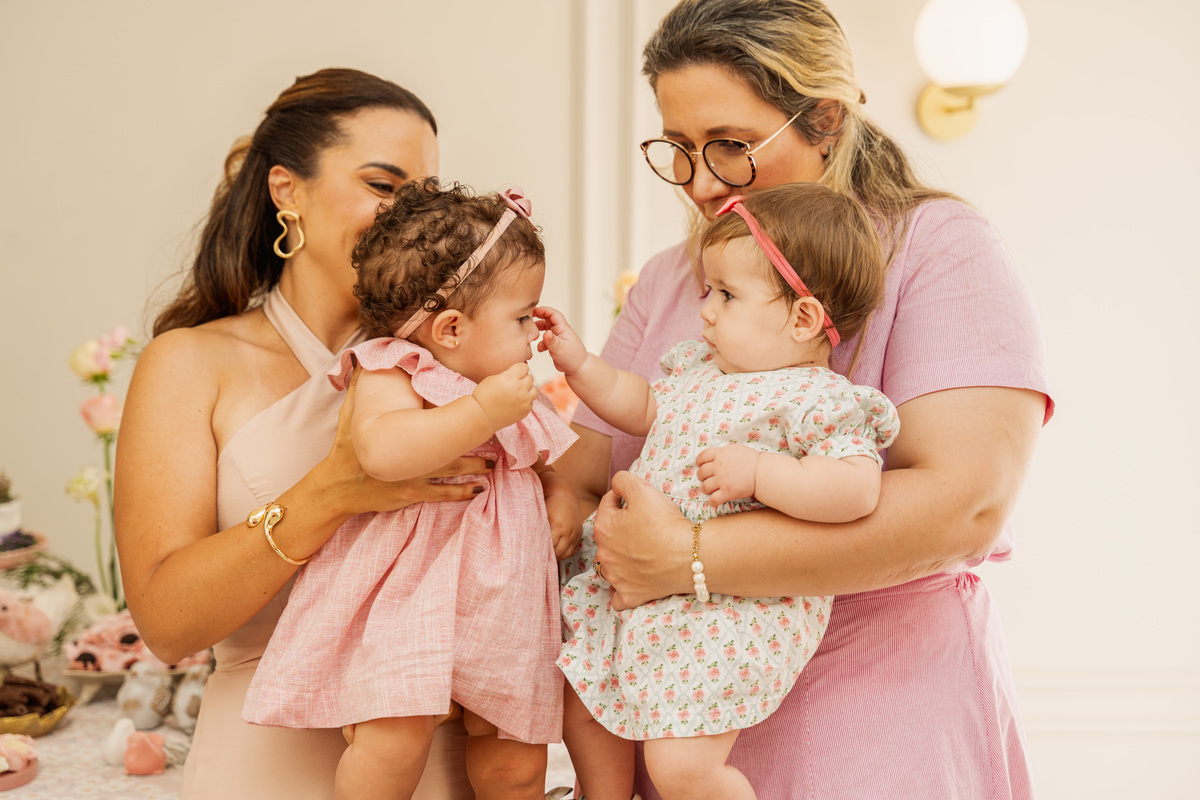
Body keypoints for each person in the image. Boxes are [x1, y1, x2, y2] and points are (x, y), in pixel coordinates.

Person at [550, 2, 1054, 798]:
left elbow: (966, 505)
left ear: (825, 119)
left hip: (873, 719)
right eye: (679, 149)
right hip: (668, 710)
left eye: (731, 146)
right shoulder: (673, 277)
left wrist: (686, 557)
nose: (702, 183)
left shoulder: (937, 246)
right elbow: (580, 473)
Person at [114, 68, 547, 799]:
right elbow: (166, 624)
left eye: (422, 194)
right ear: (288, 191)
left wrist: (558, 502)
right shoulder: (189, 364)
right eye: (382, 184)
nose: (407, 214)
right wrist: (332, 491)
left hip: (451, 756)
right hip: (266, 762)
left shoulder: (469, 351)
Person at [539, 183, 900, 800]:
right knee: (585, 705)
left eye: (727, 295)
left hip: (727, 610)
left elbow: (856, 489)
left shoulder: (817, 400)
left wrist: (762, 473)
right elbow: (637, 403)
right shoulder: (699, 372)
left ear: (803, 318)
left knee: (680, 766)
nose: (706, 310)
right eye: (709, 291)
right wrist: (580, 364)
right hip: (638, 590)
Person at [242, 179, 578, 800]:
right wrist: (482, 412)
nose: (533, 333)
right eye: (521, 317)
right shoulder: (394, 369)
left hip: (504, 599)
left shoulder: (508, 385)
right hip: (411, 589)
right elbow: (382, 451)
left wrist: (560, 497)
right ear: (450, 328)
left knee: (515, 764)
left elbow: (538, 461)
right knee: (390, 743)